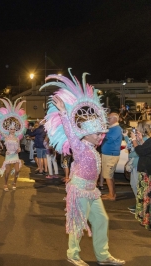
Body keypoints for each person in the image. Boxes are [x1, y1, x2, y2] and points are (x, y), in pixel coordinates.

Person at [43, 70, 124, 266]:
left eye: (100, 133)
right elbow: (71, 133)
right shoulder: (78, 146)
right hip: (79, 189)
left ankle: (103, 256)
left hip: (92, 191)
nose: (99, 136)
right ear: (86, 134)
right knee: (78, 224)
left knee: (102, 220)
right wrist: (63, 112)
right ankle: (73, 255)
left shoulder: (93, 149)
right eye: (96, 133)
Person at [0, 97, 27, 191]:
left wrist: (19, 149)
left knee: (17, 170)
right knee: (7, 172)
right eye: (11, 129)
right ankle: (5, 184)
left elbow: (19, 147)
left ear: (15, 129)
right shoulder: (5, 136)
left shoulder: (17, 138)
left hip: (15, 155)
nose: (12, 130)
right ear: (8, 129)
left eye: (14, 129)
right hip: (8, 155)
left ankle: (14, 182)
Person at [122, 122, 150, 213]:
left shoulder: (147, 139)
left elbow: (140, 151)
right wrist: (127, 137)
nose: (136, 129)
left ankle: (141, 206)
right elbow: (131, 146)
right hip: (138, 165)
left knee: (139, 186)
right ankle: (139, 204)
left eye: (137, 128)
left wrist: (135, 140)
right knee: (135, 184)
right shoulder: (143, 139)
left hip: (140, 165)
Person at [130, 121, 151, 229]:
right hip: (146, 171)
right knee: (144, 196)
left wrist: (134, 140)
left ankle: (146, 220)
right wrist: (140, 140)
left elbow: (141, 151)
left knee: (146, 197)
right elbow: (145, 149)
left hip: (147, 172)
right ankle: (144, 218)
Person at [99, 113, 122, 201]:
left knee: (108, 176)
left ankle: (112, 195)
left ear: (115, 119)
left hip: (110, 155)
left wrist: (102, 136)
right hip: (108, 154)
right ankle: (111, 193)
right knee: (109, 176)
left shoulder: (116, 129)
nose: (107, 119)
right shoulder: (113, 128)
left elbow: (109, 139)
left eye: (109, 118)